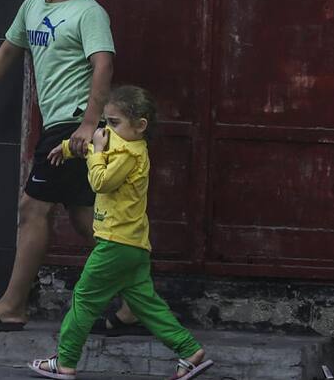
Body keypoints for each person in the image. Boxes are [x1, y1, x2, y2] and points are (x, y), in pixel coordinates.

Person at [0, 0, 142, 335]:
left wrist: (90, 123)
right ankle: (137, 304)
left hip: (73, 127)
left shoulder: (89, 12)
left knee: (32, 209)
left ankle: (12, 306)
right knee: (86, 220)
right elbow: (8, 50)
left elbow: (103, 65)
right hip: (61, 125)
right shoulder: (33, 6)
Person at [30, 86, 212, 379]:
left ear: (140, 126)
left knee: (85, 298)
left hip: (116, 242)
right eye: (105, 121)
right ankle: (189, 350)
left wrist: (96, 153)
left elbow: (101, 181)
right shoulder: (120, 141)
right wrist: (66, 148)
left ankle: (65, 362)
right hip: (132, 244)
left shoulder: (130, 154)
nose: (106, 129)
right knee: (145, 304)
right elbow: (100, 145)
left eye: (114, 122)